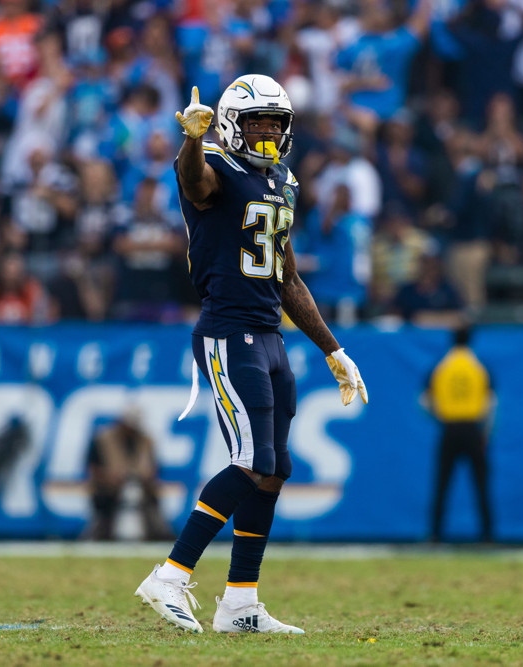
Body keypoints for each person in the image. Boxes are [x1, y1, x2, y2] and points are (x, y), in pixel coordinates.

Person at [135, 76, 368, 635]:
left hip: (269, 334)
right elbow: (194, 183)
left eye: (276, 123)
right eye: (258, 121)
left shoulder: (281, 178)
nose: (268, 132)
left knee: (274, 471)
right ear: (233, 123)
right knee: (251, 461)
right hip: (227, 329)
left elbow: (287, 276)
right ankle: (169, 574)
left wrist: (334, 350)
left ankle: (240, 603)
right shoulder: (213, 160)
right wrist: (192, 139)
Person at [421, 325, 495, 544]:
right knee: (481, 484)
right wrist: (486, 433)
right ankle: (487, 534)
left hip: (449, 427)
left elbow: (425, 400)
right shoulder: (479, 367)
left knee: (442, 483)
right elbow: (490, 403)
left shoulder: (442, 366)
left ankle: (435, 533)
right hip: (473, 428)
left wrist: (440, 416)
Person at [86, 405, 174, 542]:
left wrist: (146, 478)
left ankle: (160, 535)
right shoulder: (103, 439)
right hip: (108, 489)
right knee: (104, 518)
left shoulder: (145, 440)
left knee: (153, 513)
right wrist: (109, 477)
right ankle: (98, 535)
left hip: (141, 487)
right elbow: (92, 468)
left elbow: (155, 468)